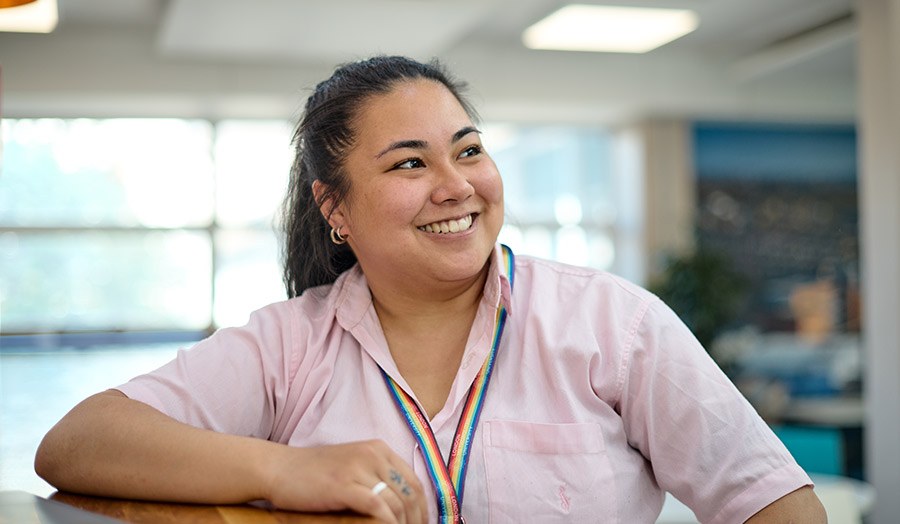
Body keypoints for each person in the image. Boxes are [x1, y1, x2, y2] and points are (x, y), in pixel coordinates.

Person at [35, 56, 826, 524]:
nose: (458, 187)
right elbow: (75, 443)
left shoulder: (611, 324)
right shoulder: (290, 343)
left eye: (469, 150)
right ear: (334, 207)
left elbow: (777, 505)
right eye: (410, 163)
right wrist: (286, 473)